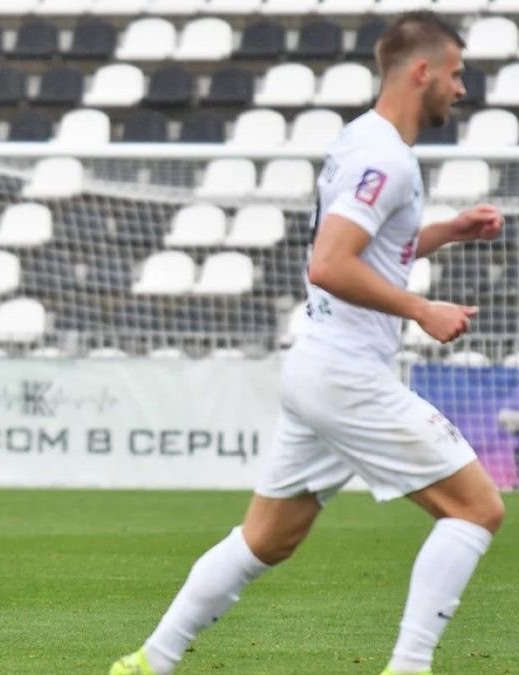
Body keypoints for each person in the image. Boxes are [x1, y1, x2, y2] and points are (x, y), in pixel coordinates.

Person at [112, 12, 505, 675]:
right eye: (457, 74)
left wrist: (448, 232)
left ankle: (150, 660)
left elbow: (369, 247)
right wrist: (421, 308)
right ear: (423, 71)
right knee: (476, 509)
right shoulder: (386, 158)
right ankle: (409, 666)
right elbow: (330, 263)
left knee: (265, 539)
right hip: (348, 375)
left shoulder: (361, 139)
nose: (461, 89)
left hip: (319, 367)